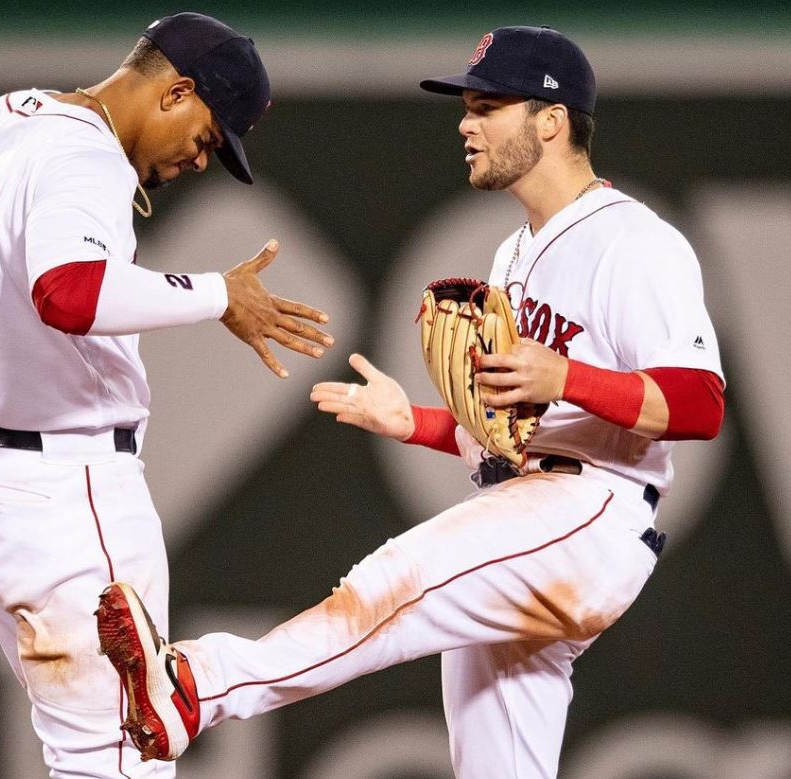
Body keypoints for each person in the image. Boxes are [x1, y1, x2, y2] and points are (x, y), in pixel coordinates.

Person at [94, 25, 726, 778]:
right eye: (467, 106)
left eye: (488, 106)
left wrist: (567, 378)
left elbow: (700, 404)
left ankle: (198, 685)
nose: (465, 123)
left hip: (590, 511)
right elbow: (517, 428)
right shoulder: (514, 252)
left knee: (397, 578)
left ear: (551, 120)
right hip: (533, 505)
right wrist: (421, 423)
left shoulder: (634, 241)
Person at [0, 12, 334, 779]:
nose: (199, 160)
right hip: (65, 489)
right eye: (210, 138)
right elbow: (69, 293)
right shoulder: (84, 156)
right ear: (176, 91)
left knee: (87, 750)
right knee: (123, 760)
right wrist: (219, 293)